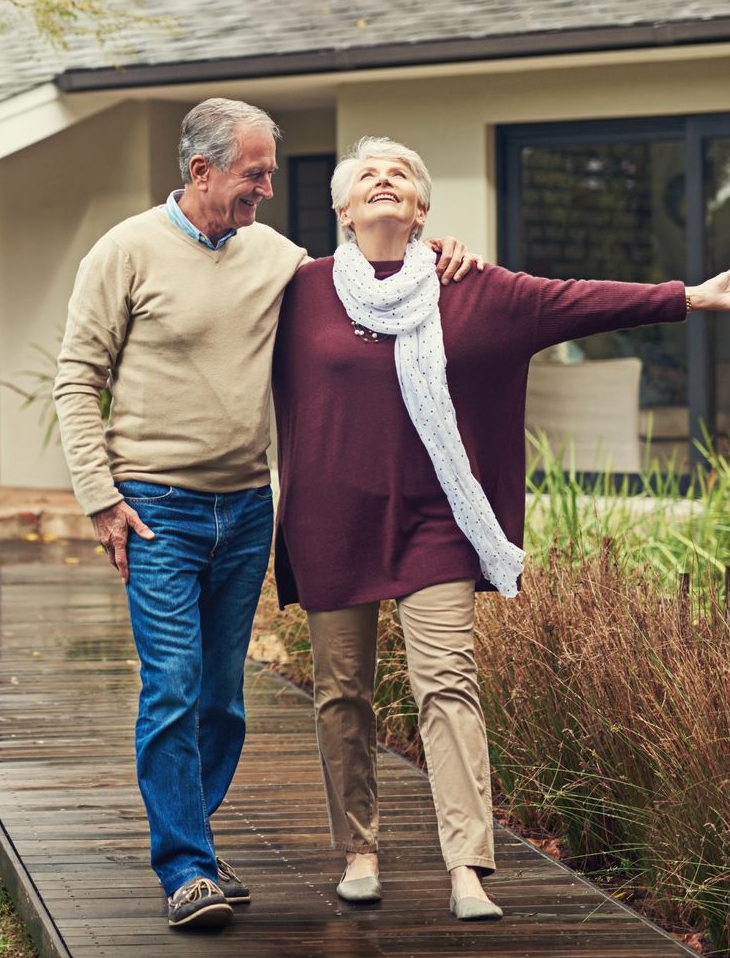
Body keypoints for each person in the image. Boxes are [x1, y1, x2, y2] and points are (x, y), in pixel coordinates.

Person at [271, 136, 730, 922]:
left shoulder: (470, 287)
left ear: (422, 207)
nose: (382, 180)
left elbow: (572, 299)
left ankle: (466, 864)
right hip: (332, 518)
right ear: (341, 208)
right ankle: (359, 849)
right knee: (342, 691)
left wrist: (686, 297)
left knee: (447, 682)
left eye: (400, 173)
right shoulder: (297, 289)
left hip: (437, 519)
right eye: (365, 174)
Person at [52, 101, 481, 930]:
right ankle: (184, 866)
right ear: (201, 170)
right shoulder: (126, 250)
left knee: (222, 701)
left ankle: (197, 845)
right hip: (156, 510)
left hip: (248, 509)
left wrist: (439, 251)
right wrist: (101, 496)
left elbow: (365, 277)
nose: (267, 187)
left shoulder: (280, 258)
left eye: (272, 172)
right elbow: (77, 377)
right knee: (172, 687)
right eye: (255, 172)